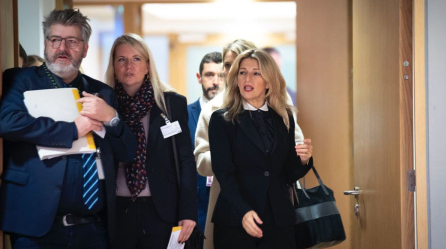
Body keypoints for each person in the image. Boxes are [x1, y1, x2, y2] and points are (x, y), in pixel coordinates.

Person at [0, 8, 137, 248]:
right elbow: (8, 122)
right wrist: (72, 130)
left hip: (94, 228)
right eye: (55, 40)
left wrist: (112, 117)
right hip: (35, 227)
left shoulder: (102, 92)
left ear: (85, 48)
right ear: (46, 44)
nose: (62, 48)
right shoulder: (21, 80)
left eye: (72, 41)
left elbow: (128, 152)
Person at [194, 39, 306, 249]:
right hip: (236, 219)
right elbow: (223, 173)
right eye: (242, 72)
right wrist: (243, 212)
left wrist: (304, 159)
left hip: (278, 219)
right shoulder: (221, 118)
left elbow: (288, 174)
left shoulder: (284, 116)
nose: (247, 78)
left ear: (269, 81)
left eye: (256, 73)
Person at [104, 33, 197, 248]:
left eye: (137, 59)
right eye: (122, 59)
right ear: (114, 67)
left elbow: (186, 160)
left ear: (147, 66)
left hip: (162, 210)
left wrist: (188, 211)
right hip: (117, 209)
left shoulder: (171, 104)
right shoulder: (105, 106)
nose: (129, 66)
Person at [187, 51, 224, 237]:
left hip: (227, 201)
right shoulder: (184, 115)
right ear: (199, 77)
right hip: (195, 205)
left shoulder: (235, 115)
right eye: (210, 75)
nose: (215, 81)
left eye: (221, 75)